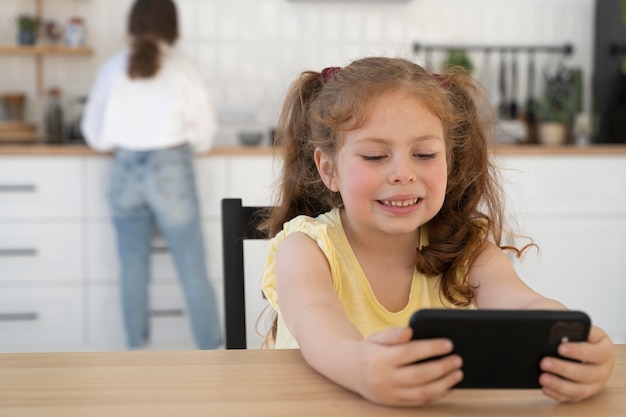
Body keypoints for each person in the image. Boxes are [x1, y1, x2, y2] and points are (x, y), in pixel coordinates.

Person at [260, 57, 615, 406]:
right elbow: (318, 324)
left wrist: (574, 346)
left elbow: (523, 303)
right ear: (329, 170)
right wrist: (360, 368)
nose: (403, 173)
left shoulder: (467, 248)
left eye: (425, 154)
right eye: (374, 156)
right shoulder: (305, 250)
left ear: (449, 160)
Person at [81, 0, 221, 350]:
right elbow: (204, 138)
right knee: (192, 270)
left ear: (132, 24)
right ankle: (216, 353)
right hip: (171, 170)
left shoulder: (112, 68)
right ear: (172, 26)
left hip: (125, 171)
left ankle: (136, 354)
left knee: (133, 269)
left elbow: (95, 136)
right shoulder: (184, 69)